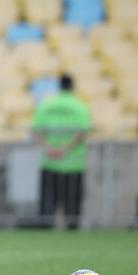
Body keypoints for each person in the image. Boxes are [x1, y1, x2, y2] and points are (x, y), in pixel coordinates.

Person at [32, 74, 91, 229]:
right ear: (72, 86)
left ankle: (44, 228)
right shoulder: (79, 106)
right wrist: (64, 151)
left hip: (49, 161)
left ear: (59, 86)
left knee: (48, 202)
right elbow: (81, 132)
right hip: (73, 162)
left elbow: (36, 130)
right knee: (72, 203)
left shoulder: (46, 104)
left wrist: (49, 149)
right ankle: (72, 229)